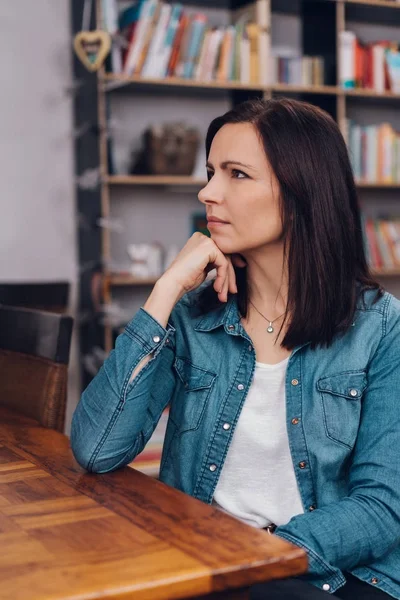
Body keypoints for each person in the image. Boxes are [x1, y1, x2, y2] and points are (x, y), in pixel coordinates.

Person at [70, 98, 400, 599]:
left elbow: (382, 506)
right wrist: (165, 290)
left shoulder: (380, 327)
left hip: (329, 576)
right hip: (209, 565)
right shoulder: (192, 316)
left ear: (302, 194)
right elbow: (97, 450)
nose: (207, 192)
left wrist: (259, 553)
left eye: (236, 174)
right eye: (209, 172)